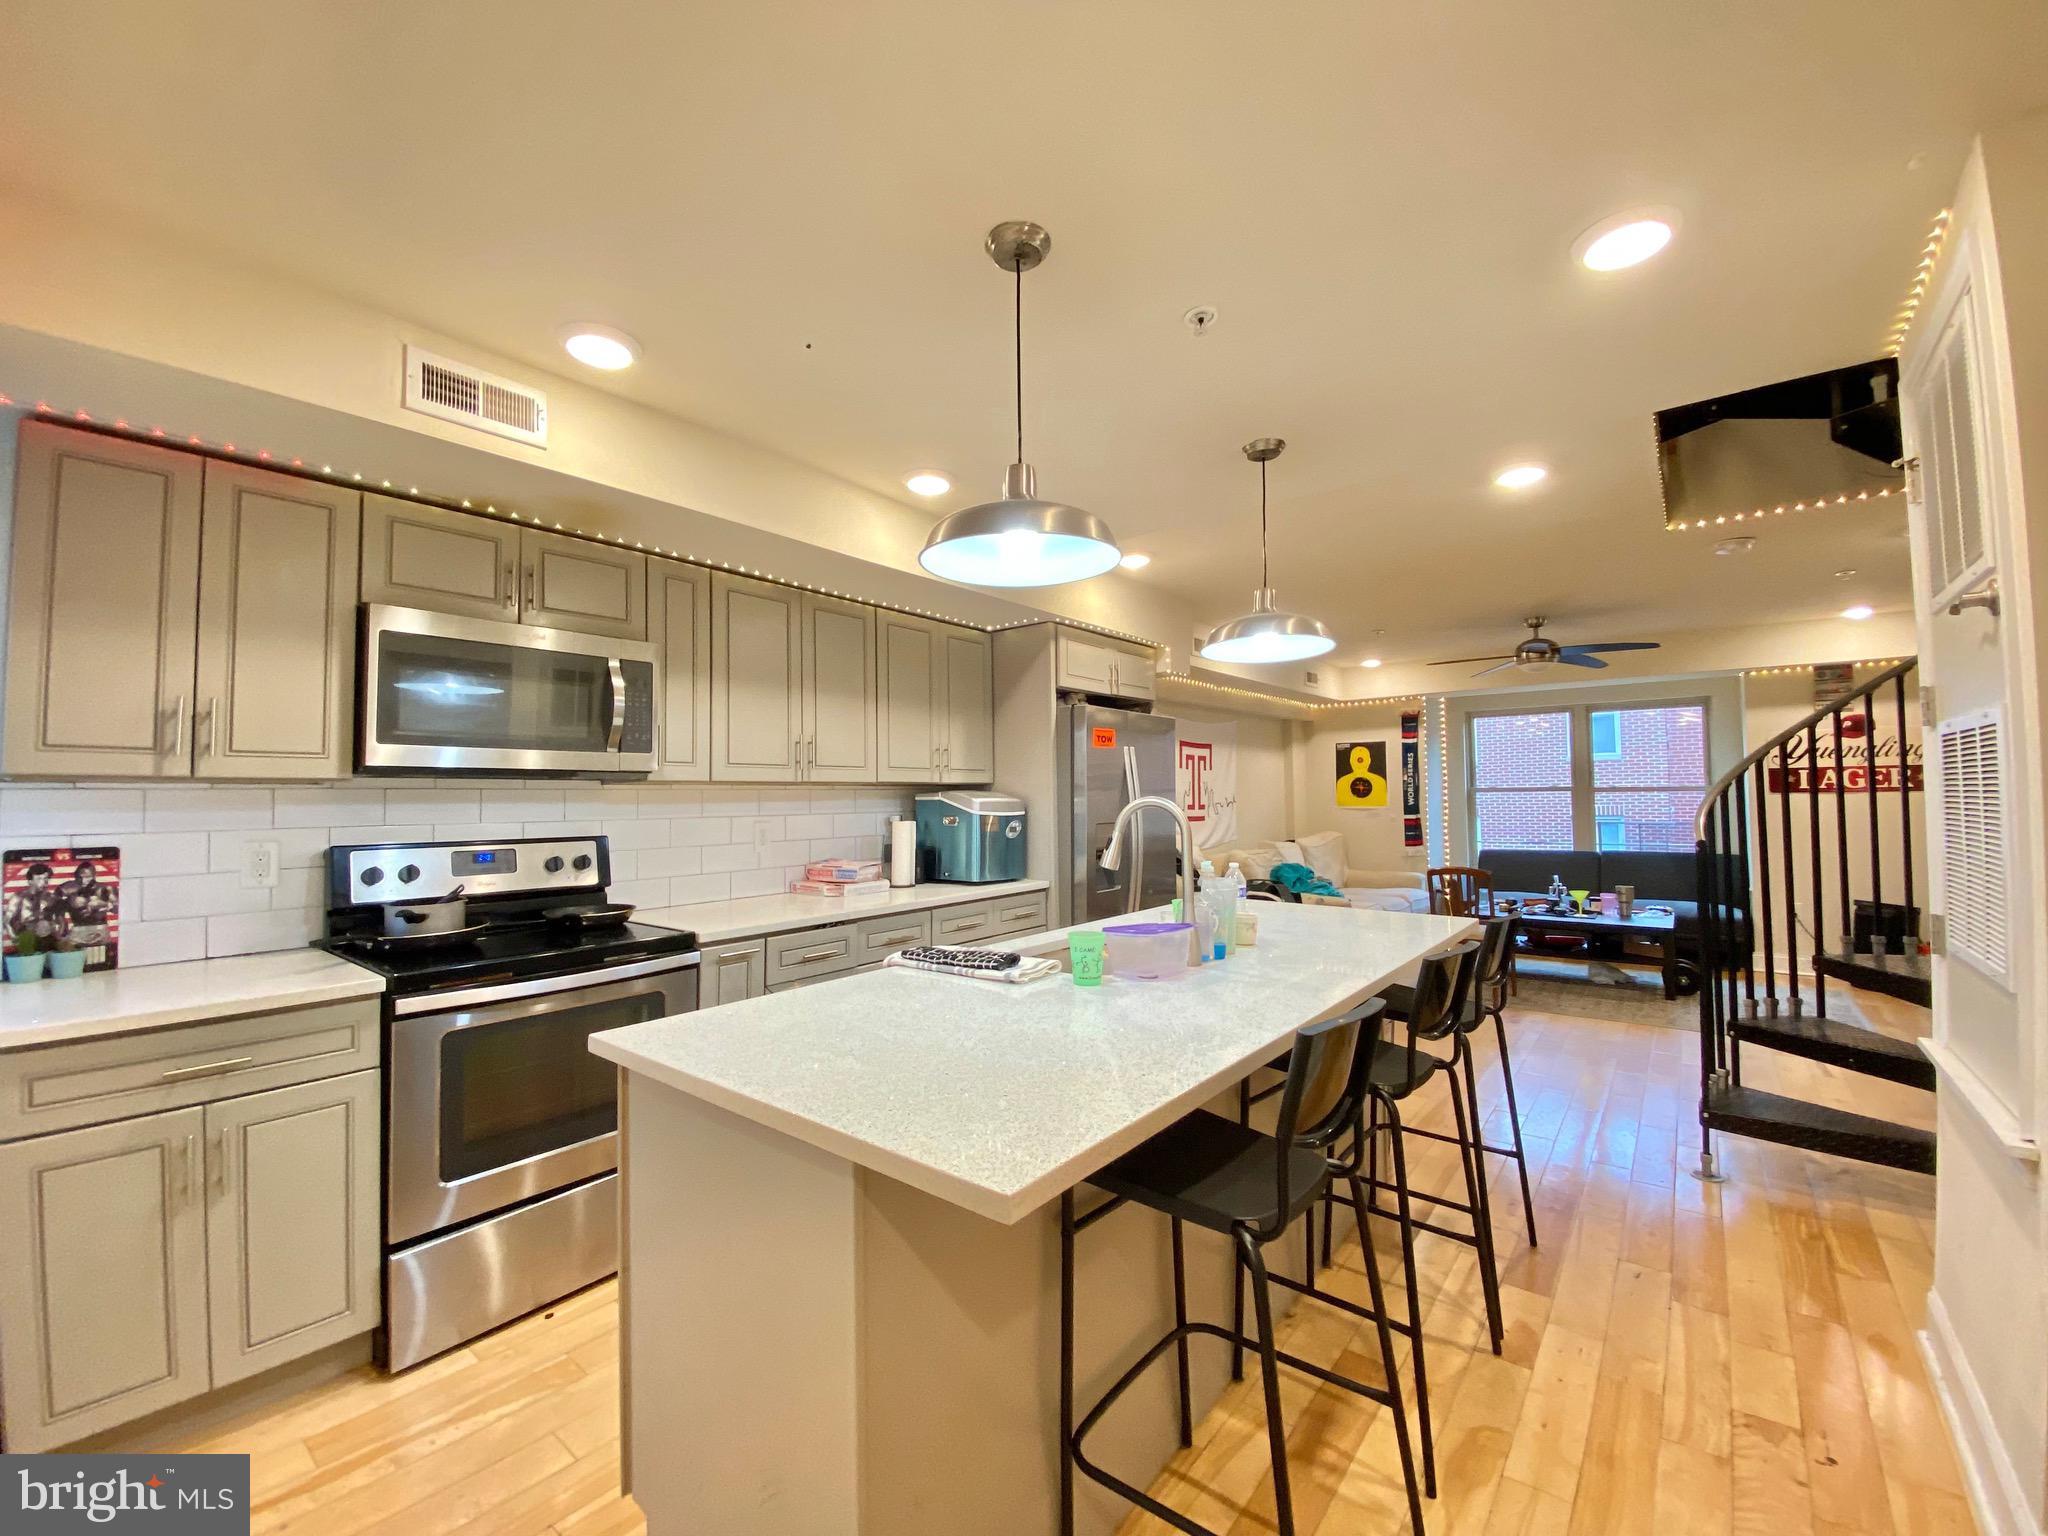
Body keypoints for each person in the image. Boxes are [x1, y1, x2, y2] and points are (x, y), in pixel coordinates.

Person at [4, 862, 65, 946]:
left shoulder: (52, 898)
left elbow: (61, 922)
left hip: (48, 941)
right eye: (39, 879)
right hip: (26, 939)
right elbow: (7, 921)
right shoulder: (18, 898)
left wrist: (58, 937)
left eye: (46, 878)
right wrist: (14, 938)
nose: (44, 882)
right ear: (30, 881)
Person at [62, 859, 115, 949]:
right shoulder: (67, 888)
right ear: (75, 876)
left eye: (87, 877)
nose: (83, 881)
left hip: (100, 928)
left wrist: (104, 904)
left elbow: (118, 908)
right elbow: (55, 908)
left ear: (94, 876)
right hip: (78, 929)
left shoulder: (105, 889)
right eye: (80, 877)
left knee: (101, 956)